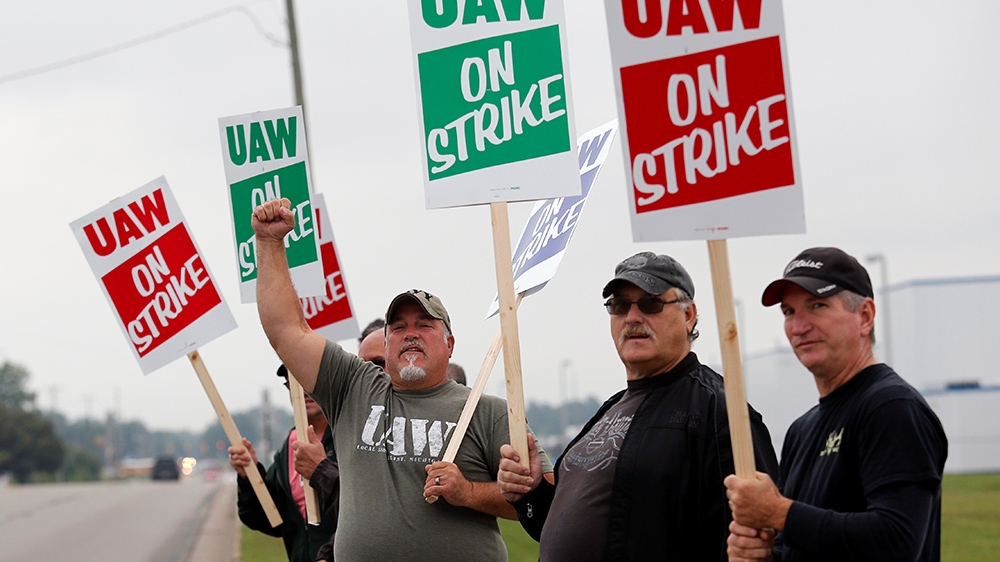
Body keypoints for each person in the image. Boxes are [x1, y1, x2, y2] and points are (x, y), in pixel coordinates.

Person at [250, 198, 548, 561]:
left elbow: (542, 498)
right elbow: (287, 330)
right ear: (386, 343)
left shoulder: (490, 411)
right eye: (399, 327)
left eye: (425, 325)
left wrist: (468, 492)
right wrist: (268, 244)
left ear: (450, 344)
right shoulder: (353, 388)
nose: (411, 334)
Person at [498, 251, 779, 561]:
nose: (632, 317)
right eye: (619, 306)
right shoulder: (609, 410)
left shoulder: (721, 413)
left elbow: (758, 540)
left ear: (688, 315)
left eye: (650, 303)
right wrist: (530, 491)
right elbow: (552, 525)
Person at [724, 247, 948, 562]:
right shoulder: (801, 429)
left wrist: (778, 511)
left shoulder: (891, 407)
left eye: (817, 305)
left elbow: (897, 539)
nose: (798, 326)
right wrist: (761, 555)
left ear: (865, 316)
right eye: (789, 311)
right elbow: (794, 545)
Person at [228, 365, 338, 562]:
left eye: (311, 380)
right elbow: (269, 519)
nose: (304, 390)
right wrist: (250, 475)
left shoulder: (350, 438)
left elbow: (368, 515)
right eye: (295, 384)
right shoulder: (289, 445)